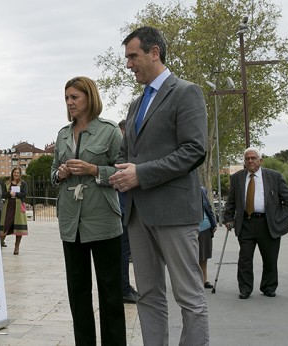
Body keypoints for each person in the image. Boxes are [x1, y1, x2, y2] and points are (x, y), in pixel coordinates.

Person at [109, 26, 209, 345]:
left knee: (189, 298)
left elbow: (195, 150)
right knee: (148, 296)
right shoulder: (136, 105)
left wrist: (142, 173)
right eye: (126, 58)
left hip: (175, 213)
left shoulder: (186, 92)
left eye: (132, 56)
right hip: (138, 216)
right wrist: (109, 171)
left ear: (155, 53)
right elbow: (127, 155)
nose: (128, 64)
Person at [51, 76, 126, 345]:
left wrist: (93, 169)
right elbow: (52, 174)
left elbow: (123, 172)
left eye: (75, 97)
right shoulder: (61, 134)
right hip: (71, 224)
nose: (69, 102)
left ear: (89, 98)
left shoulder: (109, 131)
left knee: (110, 293)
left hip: (103, 221)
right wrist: (59, 173)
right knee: (78, 293)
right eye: (67, 98)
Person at [223, 147, 288, 299]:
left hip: (268, 224)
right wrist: (228, 218)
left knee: (270, 258)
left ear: (260, 160)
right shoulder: (237, 178)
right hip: (246, 223)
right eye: (247, 158)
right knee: (245, 259)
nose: (250, 161)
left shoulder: (274, 176)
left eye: (253, 158)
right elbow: (231, 201)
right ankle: (245, 289)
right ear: (244, 162)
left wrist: (280, 219)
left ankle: (268, 287)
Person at [117, 119, 139, 304]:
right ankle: (123, 288)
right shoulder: (122, 152)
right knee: (123, 251)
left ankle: (125, 287)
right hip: (122, 209)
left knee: (128, 251)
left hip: (131, 208)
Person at [0, 167, 28, 254]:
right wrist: (9, 193)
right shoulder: (7, 183)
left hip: (18, 207)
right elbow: (3, 195)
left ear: (20, 174)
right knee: (5, 225)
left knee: (18, 227)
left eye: (18, 173)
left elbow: (24, 194)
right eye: (14, 172)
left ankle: (16, 247)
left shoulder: (23, 183)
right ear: (12, 173)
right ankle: (0, 244)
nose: (16, 174)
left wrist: (16, 194)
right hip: (8, 207)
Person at [199, 186, 217, 289]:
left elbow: (208, 206)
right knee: (190, 256)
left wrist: (213, 223)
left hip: (205, 225)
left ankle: (204, 280)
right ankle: (193, 280)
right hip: (189, 227)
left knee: (203, 255)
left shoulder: (202, 189)